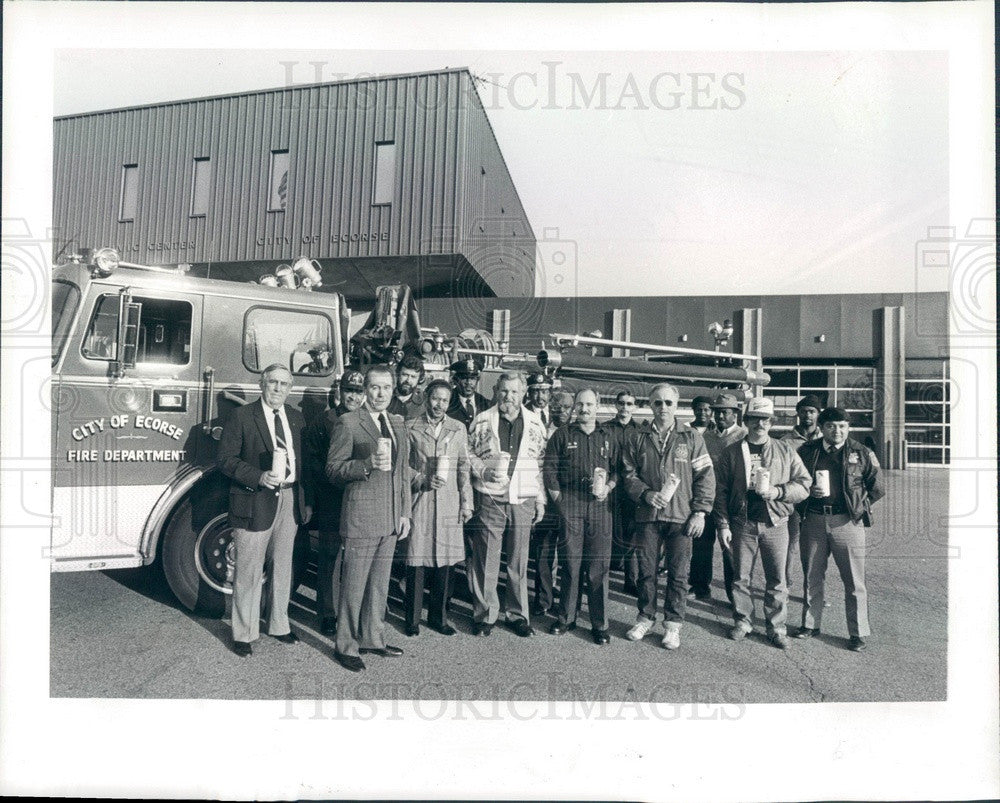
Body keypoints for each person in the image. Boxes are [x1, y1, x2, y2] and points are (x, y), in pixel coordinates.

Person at [218, 364, 310, 657]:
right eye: (273, 383)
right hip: (255, 498)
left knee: (283, 566)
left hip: (289, 498)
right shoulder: (242, 416)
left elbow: (304, 464)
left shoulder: (296, 418)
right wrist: (258, 476)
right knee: (248, 569)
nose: (278, 389)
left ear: (290, 387)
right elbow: (226, 460)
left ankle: (279, 625)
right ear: (262, 384)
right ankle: (243, 633)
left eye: (284, 384)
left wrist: (305, 499)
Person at [326, 365, 412, 672]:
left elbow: (402, 474)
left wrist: (405, 513)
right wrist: (365, 464)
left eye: (386, 388)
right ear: (365, 391)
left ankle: (373, 638)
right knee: (353, 586)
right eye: (375, 387)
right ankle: (346, 645)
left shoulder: (398, 422)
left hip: (390, 518)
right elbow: (333, 470)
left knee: (378, 585)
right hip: (361, 517)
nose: (381, 393)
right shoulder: (348, 422)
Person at [622, 382, 715, 650]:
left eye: (668, 403)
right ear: (650, 405)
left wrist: (699, 511)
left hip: (681, 517)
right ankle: (645, 617)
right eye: (658, 403)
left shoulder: (691, 438)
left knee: (678, 574)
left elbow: (705, 478)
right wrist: (645, 493)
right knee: (646, 571)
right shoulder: (637, 437)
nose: (663, 408)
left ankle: (673, 625)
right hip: (648, 516)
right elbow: (628, 474)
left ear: (677, 406)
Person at [713, 397, 811, 649]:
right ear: (746, 421)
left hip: (776, 522)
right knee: (740, 577)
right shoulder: (731, 452)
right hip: (741, 523)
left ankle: (776, 627)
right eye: (755, 418)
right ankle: (743, 621)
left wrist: (779, 492)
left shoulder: (785, 450)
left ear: (771, 422)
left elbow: (804, 484)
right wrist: (722, 524)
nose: (760, 424)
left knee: (777, 579)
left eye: (765, 419)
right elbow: (720, 490)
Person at [795, 407, 884, 651]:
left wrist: (857, 506)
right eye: (832, 426)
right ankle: (811, 625)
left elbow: (877, 486)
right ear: (822, 428)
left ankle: (857, 633)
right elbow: (794, 481)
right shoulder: (807, 451)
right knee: (812, 575)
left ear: (848, 428)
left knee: (854, 581)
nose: (838, 431)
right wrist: (806, 494)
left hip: (847, 522)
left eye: (843, 426)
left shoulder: (861, 452)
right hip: (813, 519)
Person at [466, 371, 548, 637]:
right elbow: (467, 455)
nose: (508, 397)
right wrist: (483, 471)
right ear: (495, 392)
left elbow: (541, 464)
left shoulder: (536, 424)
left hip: (523, 497)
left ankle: (517, 614)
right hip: (490, 496)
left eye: (514, 392)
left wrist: (540, 499)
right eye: (504, 391)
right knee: (487, 557)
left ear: (523, 394)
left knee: (518, 559)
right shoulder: (481, 421)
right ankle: (485, 614)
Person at [544, 389, 618, 645]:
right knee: (571, 564)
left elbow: (618, 470)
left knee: (598, 567)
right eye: (580, 405)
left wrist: (608, 487)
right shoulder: (562, 435)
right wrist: (560, 503)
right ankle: (566, 617)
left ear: (597, 406)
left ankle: (600, 624)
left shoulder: (608, 435)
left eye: (589, 404)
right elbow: (550, 469)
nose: (584, 409)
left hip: (599, 508)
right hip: (571, 505)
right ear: (575, 407)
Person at [404, 380, 474, 636]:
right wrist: (420, 479)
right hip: (420, 501)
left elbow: (464, 467)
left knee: (445, 563)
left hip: (448, 502)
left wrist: (467, 502)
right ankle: (411, 620)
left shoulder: (458, 428)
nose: (439, 405)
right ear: (427, 398)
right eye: (435, 399)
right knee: (417, 561)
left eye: (444, 400)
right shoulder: (410, 426)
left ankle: (438, 617)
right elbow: (402, 466)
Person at [302, 369, 365, 635]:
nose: (353, 396)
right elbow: (313, 464)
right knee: (329, 556)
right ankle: (327, 612)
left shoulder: (367, 420)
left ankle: (352, 610)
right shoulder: (324, 421)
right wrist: (315, 499)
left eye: (358, 392)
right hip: (332, 498)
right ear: (340, 392)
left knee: (356, 558)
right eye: (349, 391)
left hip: (360, 500)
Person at [694, 393, 747, 603]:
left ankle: (734, 595)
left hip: (732, 501)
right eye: (717, 412)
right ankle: (700, 587)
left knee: (730, 549)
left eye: (725, 412)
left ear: (735, 414)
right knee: (701, 545)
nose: (720, 416)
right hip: (707, 498)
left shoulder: (743, 436)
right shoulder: (706, 437)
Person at [780, 394, 824, 593]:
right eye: (804, 411)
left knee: (815, 549)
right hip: (795, 502)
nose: (808, 415)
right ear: (798, 413)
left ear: (818, 414)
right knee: (789, 543)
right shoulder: (785, 441)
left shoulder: (826, 439)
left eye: (812, 411)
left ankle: (812, 590)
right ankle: (785, 585)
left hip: (818, 501)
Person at [604, 390, 641, 596]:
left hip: (631, 489)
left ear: (634, 407)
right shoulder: (606, 429)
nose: (625, 407)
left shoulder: (641, 430)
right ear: (616, 405)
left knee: (632, 535)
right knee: (606, 532)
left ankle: (631, 580)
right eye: (621, 403)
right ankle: (602, 577)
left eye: (629, 404)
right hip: (609, 488)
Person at [446, 358, 490, 431]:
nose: (468, 382)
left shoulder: (485, 404)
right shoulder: (447, 401)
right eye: (464, 378)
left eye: (473, 378)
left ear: (477, 380)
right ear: (455, 380)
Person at [387, 354, 425, 420]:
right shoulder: (385, 397)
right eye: (405, 375)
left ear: (419, 379)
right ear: (398, 374)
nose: (408, 380)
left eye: (413, 377)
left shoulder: (425, 402)